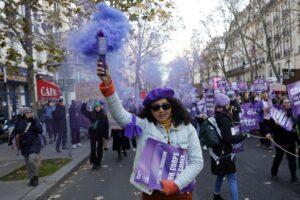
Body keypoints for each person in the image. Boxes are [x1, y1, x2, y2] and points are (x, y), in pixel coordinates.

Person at [97, 61, 203, 200]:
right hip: (153, 195)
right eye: (156, 107)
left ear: (172, 106)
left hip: (182, 193)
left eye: (165, 106)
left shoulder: (187, 128)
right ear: (150, 111)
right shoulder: (144, 126)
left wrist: (176, 184)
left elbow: (197, 162)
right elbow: (120, 115)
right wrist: (108, 85)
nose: (161, 110)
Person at [211, 93, 247, 200]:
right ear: (224, 105)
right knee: (232, 178)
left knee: (221, 175)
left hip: (218, 151)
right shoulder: (223, 118)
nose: (228, 105)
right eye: (227, 103)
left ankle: (216, 195)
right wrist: (242, 136)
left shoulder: (217, 115)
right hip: (225, 152)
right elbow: (228, 138)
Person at [267, 98, 299, 184]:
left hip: (291, 141)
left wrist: (298, 143)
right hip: (279, 141)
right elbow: (270, 125)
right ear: (281, 104)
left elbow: (296, 127)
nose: (287, 104)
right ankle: (274, 173)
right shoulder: (276, 114)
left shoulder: (294, 114)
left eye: (289, 102)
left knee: (292, 160)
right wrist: (269, 132)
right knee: (278, 158)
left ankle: (294, 176)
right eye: (285, 103)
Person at [13, 107, 43, 186]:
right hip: (24, 144)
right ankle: (32, 178)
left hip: (34, 143)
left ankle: (35, 176)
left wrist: (33, 121)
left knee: (31, 160)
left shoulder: (35, 120)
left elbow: (40, 130)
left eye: (31, 112)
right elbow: (18, 130)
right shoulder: (19, 121)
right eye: (28, 112)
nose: (30, 114)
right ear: (23, 114)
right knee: (28, 163)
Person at [81, 100, 109, 170]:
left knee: (100, 149)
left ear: (100, 107)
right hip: (93, 134)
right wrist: (84, 103)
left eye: (98, 107)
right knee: (93, 149)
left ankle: (98, 163)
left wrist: (106, 136)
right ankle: (94, 163)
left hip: (100, 134)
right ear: (94, 108)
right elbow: (83, 111)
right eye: (96, 107)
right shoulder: (91, 114)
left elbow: (106, 126)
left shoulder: (104, 115)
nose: (97, 108)